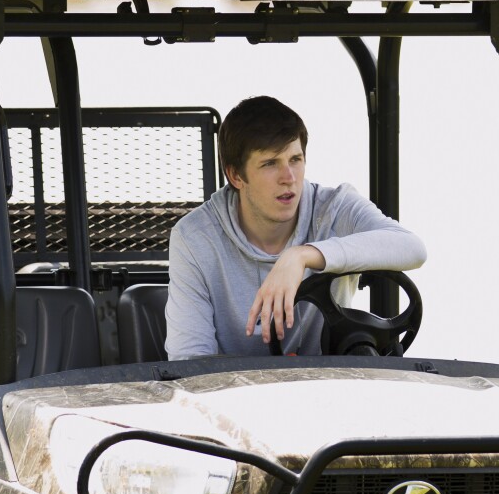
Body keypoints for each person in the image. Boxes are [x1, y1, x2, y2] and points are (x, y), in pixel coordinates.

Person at [166, 95, 425, 358]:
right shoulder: (193, 238)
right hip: (234, 394)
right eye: (270, 163)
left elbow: (412, 248)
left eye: (295, 159)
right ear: (235, 175)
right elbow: (190, 362)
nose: (288, 178)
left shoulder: (334, 207)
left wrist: (300, 256)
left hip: (327, 389)